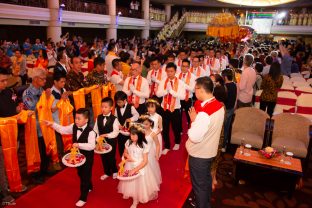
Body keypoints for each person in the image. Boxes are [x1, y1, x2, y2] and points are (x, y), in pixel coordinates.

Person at [45, 108, 96, 207]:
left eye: (79, 118)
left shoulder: (91, 132)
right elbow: (63, 130)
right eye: (75, 118)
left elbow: (92, 146)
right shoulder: (74, 126)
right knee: (81, 173)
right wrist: (52, 124)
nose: (76, 120)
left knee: (85, 176)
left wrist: (79, 145)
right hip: (77, 157)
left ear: (86, 120)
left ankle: (83, 197)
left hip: (88, 157)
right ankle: (89, 185)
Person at [186, 76, 224, 208]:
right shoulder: (219, 106)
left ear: (200, 90)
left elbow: (194, 137)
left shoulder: (204, 113)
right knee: (206, 182)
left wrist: (194, 120)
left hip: (200, 155)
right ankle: (205, 203)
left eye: (195, 89)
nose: (194, 92)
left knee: (199, 187)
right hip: (210, 150)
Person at [0, 67, 27, 206]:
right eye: (2, 81)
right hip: (1, 138)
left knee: (11, 162)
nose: (5, 83)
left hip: (12, 134)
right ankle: (4, 195)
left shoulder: (7, 91)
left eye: (5, 80)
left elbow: (13, 107)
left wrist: (18, 109)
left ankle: (12, 184)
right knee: (1, 166)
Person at [118, 125, 159, 208]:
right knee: (132, 184)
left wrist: (134, 169)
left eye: (134, 135)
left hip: (140, 166)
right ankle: (135, 198)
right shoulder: (128, 142)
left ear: (140, 134)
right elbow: (125, 152)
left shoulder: (144, 144)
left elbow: (145, 161)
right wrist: (126, 157)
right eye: (131, 135)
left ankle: (135, 201)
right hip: (130, 165)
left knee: (140, 184)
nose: (132, 137)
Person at [156, 62, 185, 154]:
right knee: (164, 128)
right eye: (168, 71)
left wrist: (171, 91)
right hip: (164, 108)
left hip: (175, 108)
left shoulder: (180, 82)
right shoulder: (163, 81)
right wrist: (166, 91)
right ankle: (167, 145)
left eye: (171, 71)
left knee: (176, 127)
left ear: (175, 71)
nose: (169, 73)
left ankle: (177, 142)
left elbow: (183, 96)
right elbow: (158, 94)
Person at [93, 97, 120, 180]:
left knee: (111, 157)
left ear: (111, 108)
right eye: (102, 107)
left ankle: (115, 171)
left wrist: (107, 135)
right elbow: (95, 130)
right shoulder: (98, 117)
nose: (103, 109)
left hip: (111, 140)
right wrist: (97, 138)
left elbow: (116, 132)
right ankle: (107, 172)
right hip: (101, 142)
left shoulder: (114, 119)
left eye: (105, 107)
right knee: (103, 157)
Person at [114, 91, 139, 157]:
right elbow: (116, 118)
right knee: (121, 147)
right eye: (117, 102)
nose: (118, 104)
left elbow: (137, 115)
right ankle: (123, 161)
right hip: (121, 132)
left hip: (129, 132)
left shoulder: (131, 107)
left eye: (119, 102)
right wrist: (119, 125)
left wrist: (131, 119)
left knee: (129, 147)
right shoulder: (117, 109)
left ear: (125, 100)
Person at [139, 115, 162, 186]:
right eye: (143, 124)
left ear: (150, 124)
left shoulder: (153, 134)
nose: (144, 126)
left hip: (150, 153)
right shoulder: (140, 132)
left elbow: (158, 145)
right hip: (140, 152)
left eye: (146, 124)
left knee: (150, 168)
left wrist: (157, 154)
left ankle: (150, 183)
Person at [51, 73, 68, 159]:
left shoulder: (63, 89)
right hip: (56, 119)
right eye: (61, 82)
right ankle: (59, 158)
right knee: (59, 142)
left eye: (64, 82)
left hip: (64, 118)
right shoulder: (51, 93)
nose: (63, 84)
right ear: (55, 82)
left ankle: (66, 154)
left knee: (66, 139)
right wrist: (61, 100)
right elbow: (52, 109)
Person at [177, 59, 196, 126]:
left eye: (186, 66)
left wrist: (183, 84)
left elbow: (193, 90)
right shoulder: (177, 75)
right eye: (183, 66)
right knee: (179, 115)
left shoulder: (193, 77)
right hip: (178, 98)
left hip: (188, 98)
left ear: (188, 67)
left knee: (189, 116)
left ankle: (189, 129)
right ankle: (180, 129)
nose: (184, 68)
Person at [221, 69, 237, 152]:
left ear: (225, 77)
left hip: (225, 109)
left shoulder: (225, 86)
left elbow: (223, 100)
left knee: (222, 128)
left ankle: (222, 145)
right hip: (231, 108)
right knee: (227, 127)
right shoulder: (234, 84)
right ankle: (225, 144)